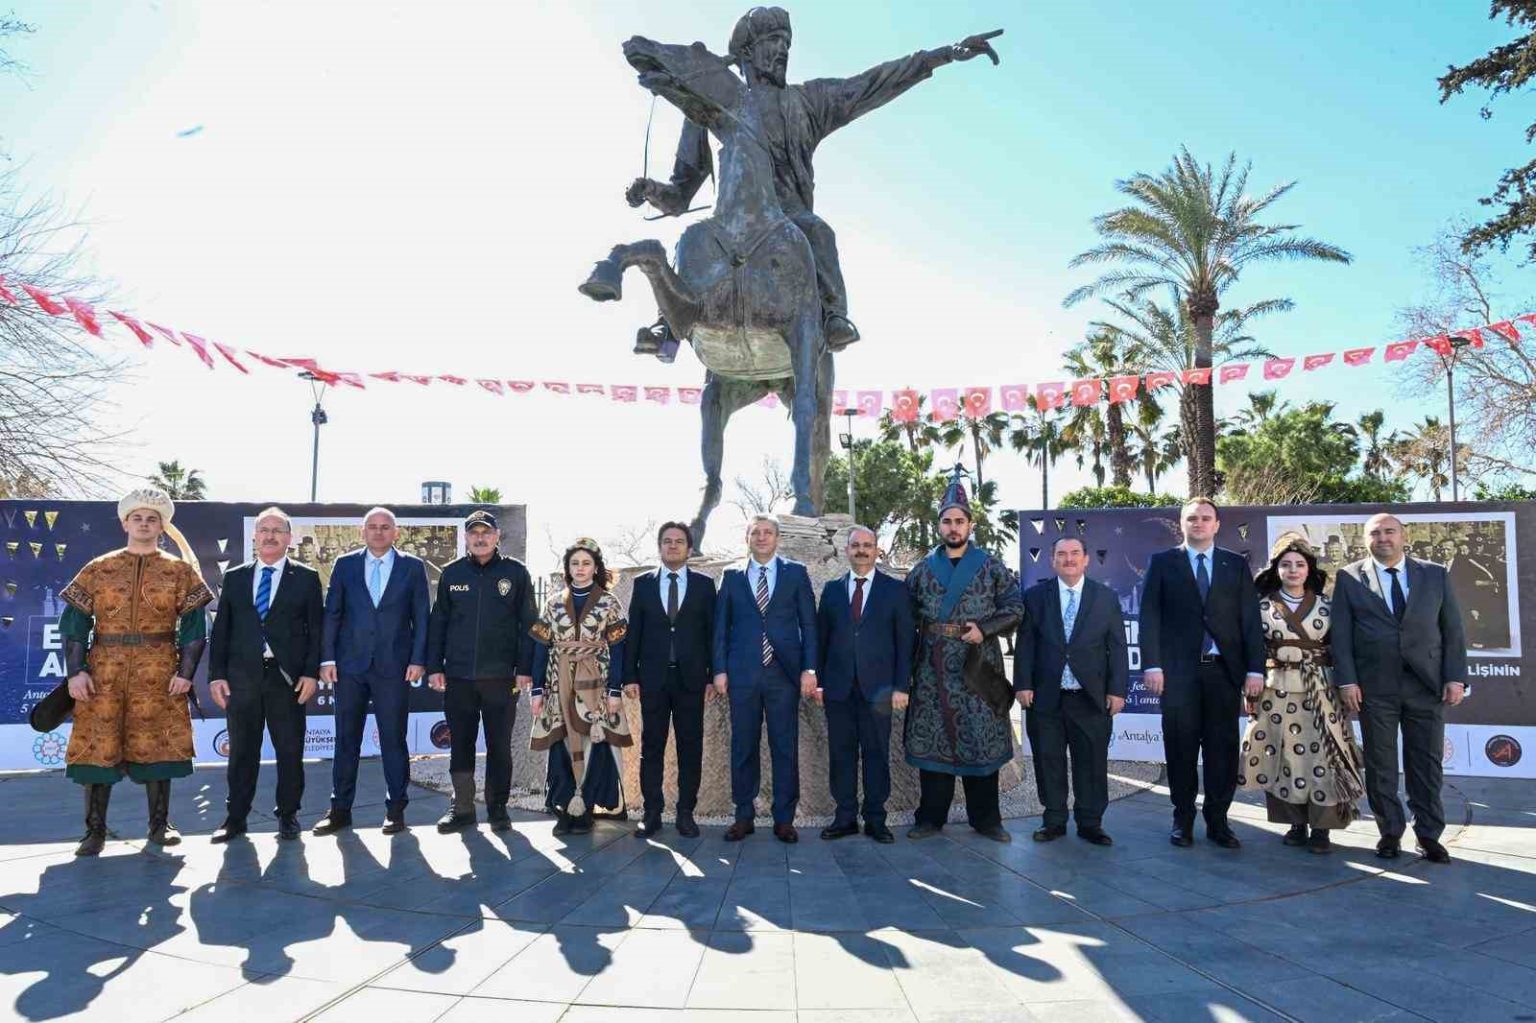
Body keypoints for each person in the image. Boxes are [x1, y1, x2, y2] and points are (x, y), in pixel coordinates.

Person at [623, 6, 1001, 354]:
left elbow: (872, 83)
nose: (783, 50)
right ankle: (667, 328)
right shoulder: (708, 108)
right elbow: (680, 196)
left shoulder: (809, 102)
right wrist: (651, 191)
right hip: (729, 225)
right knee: (690, 241)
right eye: (773, 41)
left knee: (819, 232)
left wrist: (944, 54)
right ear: (747, 54)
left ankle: (833, 315)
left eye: (786, 43)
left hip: (790, 220)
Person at [59, 489, 214, 856]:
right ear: (124, 523)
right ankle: (94, 831)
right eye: (137, 518)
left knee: (158, 742)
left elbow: (194, 628)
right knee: (98, 746)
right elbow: (75, 624)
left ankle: (160, 825)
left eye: (152, 519)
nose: (144, 524)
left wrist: (185, 672)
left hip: (159, 669)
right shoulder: (99, 568)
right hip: (104, 671)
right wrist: (76, 672)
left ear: (162, 527)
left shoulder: (180, 571)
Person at [1331, 513, 1468, 863]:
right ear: (1366, 540)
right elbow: (1341, 635)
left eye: (1389, 531)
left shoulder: (1435, 574)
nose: (1383, 538)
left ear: (1403, 536)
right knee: (1380, 764)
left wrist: (1455, 676)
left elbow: (1453, 630)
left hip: (1426, 685)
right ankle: (1390, 833)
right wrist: (1347, 680)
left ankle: (1429, 835)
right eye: (1375, 533)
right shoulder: (1349, 577)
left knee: (1426, 763)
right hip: (1375, 687)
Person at [1139, 497, 1265, 850]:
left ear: (1217, 524)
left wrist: (1255, 669)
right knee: (1180, 747)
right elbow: (1149, 616)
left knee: (1222, 750)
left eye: (1205, 518)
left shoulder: (1234, 564)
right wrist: (1152, 664)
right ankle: (1182, 818)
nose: (1199, 523)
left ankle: (1218, 821)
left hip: (1223, 673)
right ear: (1182, 524)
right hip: (1178, 674)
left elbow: (1249, 619)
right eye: (1192, 518)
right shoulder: (1163, 563)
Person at [904, 472, 1024, 843]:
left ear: (970, 525)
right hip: (933, 669)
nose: (953, 527)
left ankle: (987, 820)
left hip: (977, 665)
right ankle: (930, 818)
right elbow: (905, 616)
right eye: (947, 521)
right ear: (939, 525)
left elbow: (1015, 607)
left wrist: (985, 629)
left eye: (959, 521)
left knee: (980, 741)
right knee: (934, 741)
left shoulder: (991, 566)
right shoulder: (922, 569)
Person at [1239, 534, 1365, 854]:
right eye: (1286, 565)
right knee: (1284, 755)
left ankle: (1322, 828)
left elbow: (1342, 648)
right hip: (1275, 689)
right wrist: (1249, 687)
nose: (1293, 570)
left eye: (1299, 564)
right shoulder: (1261, 607)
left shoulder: (1327, 606)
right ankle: (1295, 823)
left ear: (1309, 569)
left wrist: (1346, 684)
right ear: (1276, 569)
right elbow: (1250, 649)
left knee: (1324, 756)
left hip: (1320, 689)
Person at [207, 507, 323, 843]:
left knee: (289, 751)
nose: (270, 536)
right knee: (242, 752)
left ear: (289, 538)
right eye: (264, 530)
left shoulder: (306, 577)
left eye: (277, 530)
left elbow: (316, 631)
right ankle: (235, 818)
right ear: (255, 537)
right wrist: (216, 675)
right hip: (242, 680)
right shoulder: (236, 577)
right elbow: (222, 630)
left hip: (287, 680)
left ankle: (288, 815)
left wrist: (311, 674)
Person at [314, 507, 431, 836]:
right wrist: (327, 659)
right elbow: (332, 613)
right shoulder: (345, 565)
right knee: (345, 739)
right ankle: (340, 810)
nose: (379, 532)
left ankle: (396, 810)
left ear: (396, 533)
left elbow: (422, 617)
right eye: (373, 527)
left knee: (393, 739)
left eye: (385, 527)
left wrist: (418, 659)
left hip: (394, 667)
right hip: (349, 667)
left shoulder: (412, 567)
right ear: (362, 532)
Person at [426, 510, 536, 834]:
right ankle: (462, 808)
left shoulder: (516, 573)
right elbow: (438, 624)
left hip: (501, 679)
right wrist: (434, 667)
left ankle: (498, 809)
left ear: (497, 536)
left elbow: (529, 624)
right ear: (466, 538)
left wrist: (525, 668)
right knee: (461, 743)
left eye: (486, 532)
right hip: (459, 678)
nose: (480, 538)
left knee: (499, 746)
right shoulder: (451, 574)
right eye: (474, 533)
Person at [1014, 536, 1127, 846]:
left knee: (1091, 763)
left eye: (1075, 553)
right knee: (1048, 760)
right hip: (1045, 697)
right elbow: (1025, 644)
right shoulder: (1035, 597)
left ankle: (1090, 823)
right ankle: (1053, 820)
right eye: (1061, 554)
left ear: (1086, 559)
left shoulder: (1105, 597)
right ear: (1052, 561)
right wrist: (1023, 683)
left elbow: (1117, 647)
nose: (1069, 559)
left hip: (1090, 697)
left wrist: (1117, 690)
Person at [713, 514, 819, 842]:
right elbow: (721, 627)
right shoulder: (731, 576)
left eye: (768, 532)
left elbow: (809, 624)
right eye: (755, 532)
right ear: (747, 538)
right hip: (742, 674)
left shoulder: (795, 573)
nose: (761, 537)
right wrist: (719, 669)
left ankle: (784, 819)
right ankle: (743, 815)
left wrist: (810, 669)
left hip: (783, 673)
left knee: (784, 746)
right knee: (743, 746)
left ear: (777, 538)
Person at [815, 525, 915, 844]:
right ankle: (844, 816)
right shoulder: (832, 590)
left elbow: (905, 642)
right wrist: (819, 682)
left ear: (876, 550)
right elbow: (821, 639)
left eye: (867, 545)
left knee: (876, 754)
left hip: (880, 690)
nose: (861, 550)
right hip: (838, 689)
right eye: (855, 545)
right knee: (841, 754)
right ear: (847, 550)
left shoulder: (895, 590)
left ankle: (875, 818)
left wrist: (902, 686)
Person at [529, 538, 633, 835]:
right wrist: (537, 689)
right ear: (568, 568)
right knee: (560, 743)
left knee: (594, 743)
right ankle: (563, 809)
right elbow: (540, 647)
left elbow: (619, 649)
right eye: (575, 563)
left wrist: (615, 690)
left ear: (596, 567)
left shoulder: (609, 602)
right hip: (558, 682)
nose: (580, 568)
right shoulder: (553, 602)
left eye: (586, 563)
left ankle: (585, 808)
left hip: (596, 683)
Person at [623, 522, 716, 839]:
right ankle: (651, 813)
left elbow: (712, 634)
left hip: (692, 680)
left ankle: (686, 813)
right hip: (653, 679)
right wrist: (630, 675)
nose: (673, 545)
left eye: (679, 541)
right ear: (659, 547)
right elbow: (634, 633)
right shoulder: (643, 584)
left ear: (689, 549)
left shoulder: (705, 585)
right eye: (667, 541)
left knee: (690, 747)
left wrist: (712, 676)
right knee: (652, 747)